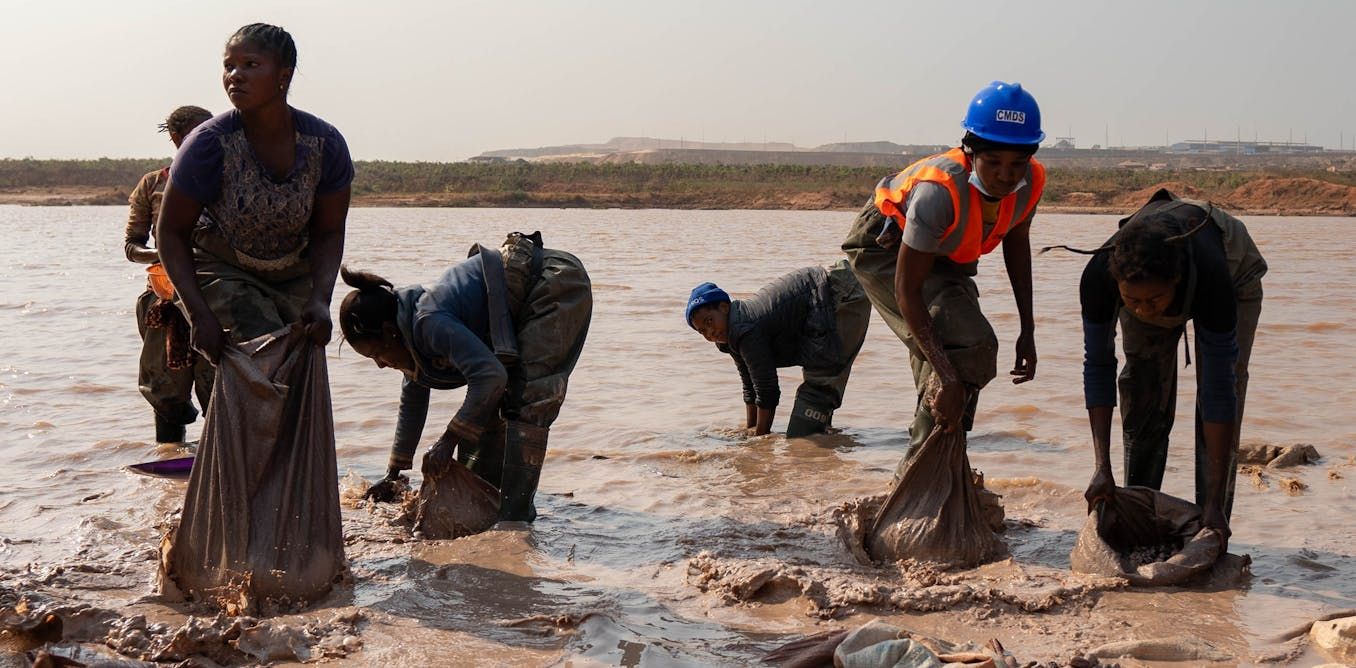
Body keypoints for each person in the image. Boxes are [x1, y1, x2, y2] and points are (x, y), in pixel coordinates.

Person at [840, 81, 1045, 474]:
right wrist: (948, 379)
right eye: (993, 162)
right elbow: (907, 290)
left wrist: (1028, 329)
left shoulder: (1030, 183)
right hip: (884, 249)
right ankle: (918, 476)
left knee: (963, 352)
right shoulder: (939, 191)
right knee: (962, 348)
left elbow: (1017, 243)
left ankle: (944, 466)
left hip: (946, 255)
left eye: (1016, 163)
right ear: (970, 152)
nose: (1005, 176)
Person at [346, 232, 592, 523]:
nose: (380, 365)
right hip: (527, 293)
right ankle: (485, 507)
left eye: (377, 354)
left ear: (389, 332)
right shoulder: (410, 334)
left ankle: (514, 519)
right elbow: (412, 400)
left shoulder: (428, 322)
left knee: (528, 399)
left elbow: (490, 378)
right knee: (485, 407)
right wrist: (394, 474)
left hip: (554, 284)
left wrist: (447, 441)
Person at [1074, 189, 1266, 551]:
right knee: (1143, 390)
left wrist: (1213, 504)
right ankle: (1139, 516)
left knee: (1222, 392)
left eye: (1154, 300)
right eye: (1133, 300)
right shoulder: (1100, 276)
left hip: (1235, 273)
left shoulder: (1212, 278)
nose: (1144, 310)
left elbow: (1219, 390)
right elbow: (1098, 366)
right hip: (1151, 275)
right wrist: (1101, 467)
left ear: (1175, 281)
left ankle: (1213, 518)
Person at [157, 23, 351, 356]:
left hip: (293, 272)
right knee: (262, 345)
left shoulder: (324, 144)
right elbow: (171, 232)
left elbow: (329, 231)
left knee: (301, 354)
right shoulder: (207, 145)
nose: (235, 75)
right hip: (222, 269)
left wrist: (321, 299)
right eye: (228, 66)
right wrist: (199, 314)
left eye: (250, 64)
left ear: (283, 76)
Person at [685, 260, 870, 437]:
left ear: (724, 307)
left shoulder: (745, 330)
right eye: (702, 331)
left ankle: (819, 435)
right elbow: (750, 385)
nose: (710, 332)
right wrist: (750, 429)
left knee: (813, 406)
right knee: (815, 424)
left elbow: (767, 389)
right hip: (826, 296)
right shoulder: (731, 336)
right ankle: (827, 438)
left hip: (840, 292)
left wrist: (760, 440)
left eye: (709, 321)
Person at [124, 105, 213, 444]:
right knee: (165, 392)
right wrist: (166, 254)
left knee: (219, 385)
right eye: (194, 134)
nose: (205, 139)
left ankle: (221, 458)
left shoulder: (227, 178)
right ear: (176, 138)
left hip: (217, 294)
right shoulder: (154, 184)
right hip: (166, 296)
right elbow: (132, 246)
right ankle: (170, 457)